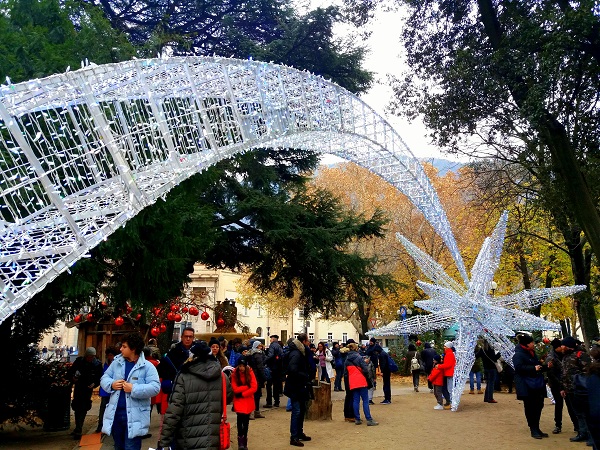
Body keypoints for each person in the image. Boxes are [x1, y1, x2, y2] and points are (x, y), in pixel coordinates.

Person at [157, 341, 233, 450]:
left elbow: (174, 411)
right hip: (213, 436)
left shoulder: (183, 376)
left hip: (187, 437)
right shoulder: (221, 376)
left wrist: (164, 440)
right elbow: (228, 397)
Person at [100, 333, 160, 450]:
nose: (121, 349)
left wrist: (134, 388)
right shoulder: (117, 363)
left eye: (124, 346)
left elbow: (155, 387)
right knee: (118, 446)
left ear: (133, 349)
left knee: (131, 447)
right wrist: (111, 384)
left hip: (135, 417)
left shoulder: (147, 366)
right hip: (116, 415)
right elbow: (104, 378)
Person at [513, 333, 548, 440]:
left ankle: (536, 427)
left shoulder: (531, 353)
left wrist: (545, 367)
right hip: (527, 385)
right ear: (527, 344)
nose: (533, 344)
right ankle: (533, 428)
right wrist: (533, 368)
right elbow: (518, 368)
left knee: (538, 405)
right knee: (530, 407)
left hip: (536, 384)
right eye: (532, 342)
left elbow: (536, 365)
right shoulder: (519, 355)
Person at [561, 335, 592, 443]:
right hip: (570, 390)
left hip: (581, 391)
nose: (561, 347)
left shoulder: (581, 355)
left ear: (569, 346)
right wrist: (563, 388)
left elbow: (587, 372)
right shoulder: (565, 357)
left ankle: (591, 436)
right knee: (578, 413)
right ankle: (582, 432)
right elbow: (564, 373)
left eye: (563, 345)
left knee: (586, 413)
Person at [66, 346, 102, 439]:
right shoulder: (79, 361)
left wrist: (94, 384)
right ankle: (78, 427)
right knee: (77, 407)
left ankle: (79, 428)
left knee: (84, 407)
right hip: (79, 387)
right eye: (89, 356)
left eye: (92, 357)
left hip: (87, 389)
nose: (90, 358)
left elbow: (99, 377)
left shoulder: (97, 364)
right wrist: (73, 378)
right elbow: (70, 372)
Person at [283, 334, 312, 447]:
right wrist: (304, 375)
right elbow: (292, 369)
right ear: (303, 341)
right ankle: (294, 436)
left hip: (299, 385)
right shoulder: (296, 353)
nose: (308, 343)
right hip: (296, 386)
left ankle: (299, 433)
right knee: (297, 411)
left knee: (301, 409)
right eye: (307, 341)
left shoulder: (299, 352)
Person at [546, 338, 577, 434]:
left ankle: (576, 425)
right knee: (559, 405)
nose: (563, 347)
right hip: (556, 384)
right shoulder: (551, 358)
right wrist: (560, 383)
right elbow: (550, 373)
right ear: (557, 348)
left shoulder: (565, 355)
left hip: (566, 384)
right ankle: (558, 425)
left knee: (571, 405)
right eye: (561, 346)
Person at [344, 341, 378, 426]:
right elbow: (365, 370)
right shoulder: (359, 357)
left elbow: (345, 373)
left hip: (353, 381)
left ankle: (357, 419)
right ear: (356, 348)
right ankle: (369, 419)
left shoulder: (347, 359)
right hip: (361, 380)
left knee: (356, 400)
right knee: (365, 400)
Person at [157, 327, 195, 396]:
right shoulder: (173, 352)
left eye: (190, 337)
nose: (188, 339)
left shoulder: (198, 352)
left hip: (193, 390)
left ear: (193, 338)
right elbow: (161, 370)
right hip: (176, 391)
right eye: (186, 336)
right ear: (181, 337)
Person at [230, 357, 257, 450]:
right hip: (240, 400)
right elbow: (235, 388)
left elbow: (254, 387)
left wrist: (242, 393)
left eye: (243, 366)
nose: (241, 368)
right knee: (239, 420)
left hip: (247, 400)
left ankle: (244, 440)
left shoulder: (250, 372)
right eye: (240, 366)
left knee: (246, 422)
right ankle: (240, 441)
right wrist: (246, 387)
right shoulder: (234, 374)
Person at [96, 347, 118, 433]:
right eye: (108, 355)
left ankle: (111, 426)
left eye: (111, 355)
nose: (110, 357)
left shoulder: (116, 364)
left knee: (113, 410)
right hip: (105, 390)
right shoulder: (105, 364)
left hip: (114, 390)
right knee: (103, 409)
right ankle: (100, 425)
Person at [248, 340, 267, 419]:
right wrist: (264, 377)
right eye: (260, 346)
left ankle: (254, 411)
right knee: (256, 395)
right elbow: (260, 367)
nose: (261, 347)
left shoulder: (251, 353)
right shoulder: (258, 354)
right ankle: (254, 412)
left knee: (254, 394)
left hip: (252, 375)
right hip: (257, 377)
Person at [265, 334, 284, 408]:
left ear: (273, 339)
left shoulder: (272, 346)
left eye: (271, 339)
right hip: (278, 368)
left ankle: (269, 402)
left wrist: (265, 361)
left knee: (269, 385)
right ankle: (276, 401)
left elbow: (270, 355)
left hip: (272, 368)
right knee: (276, 385)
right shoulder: (279, 346)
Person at [436, 341, 456, 409]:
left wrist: (439, 366)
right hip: (449, 373)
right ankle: (451, 403)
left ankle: (452, 404)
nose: (444, 348)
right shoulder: (449, 353)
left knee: (450, 389)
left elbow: (448, 365)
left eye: (445, 346)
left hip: (449, 373)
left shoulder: (449, 354)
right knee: (449, 388)